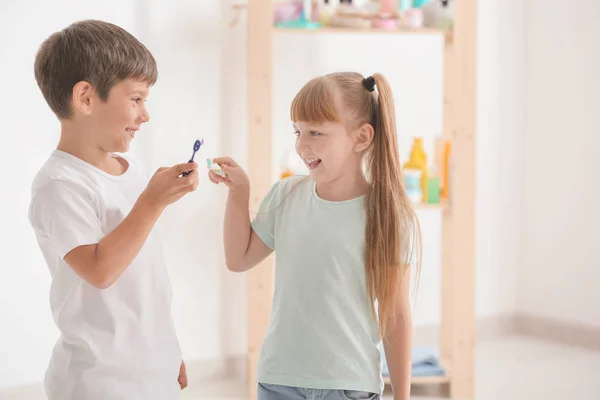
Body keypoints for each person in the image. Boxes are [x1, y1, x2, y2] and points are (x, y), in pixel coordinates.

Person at [209, 72, 422, 400]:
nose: (301, 145)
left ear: (361, 138)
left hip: (348, 384)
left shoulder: (388, 216)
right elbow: (238, 259)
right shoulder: (286, 196)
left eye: (315, 132)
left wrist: (403, 397)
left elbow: (395, 316)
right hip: (278, 378)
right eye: (297, 131)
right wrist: (240, 193)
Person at [28, 19, 198, 400]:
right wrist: (152, 202)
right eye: (136, 99)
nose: (145, 114)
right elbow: (100, 270)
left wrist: (166, 349)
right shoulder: (60, 184)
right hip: (99, 382)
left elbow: (146, 280)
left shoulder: (132, 171)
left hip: (151, 370)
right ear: (86, 98)